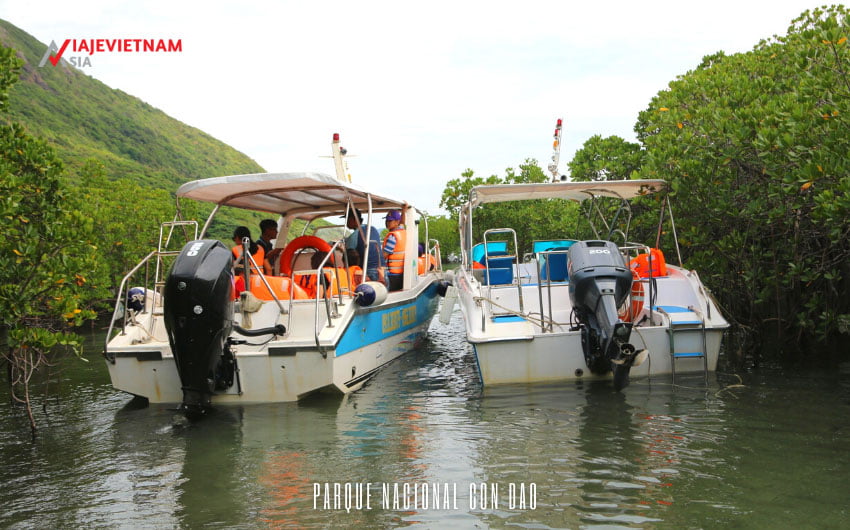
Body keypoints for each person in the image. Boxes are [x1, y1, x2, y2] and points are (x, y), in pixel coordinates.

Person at [345, 208, 386, 285]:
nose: (346, 223)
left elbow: (349, 257)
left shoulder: (354, 235)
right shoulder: (373, 229)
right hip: (382, 271)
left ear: (353, 219)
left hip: (368, 273)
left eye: (347, 220)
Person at [382, 209, 405, 291]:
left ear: (396, 222)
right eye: (386, 220)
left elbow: (384, 255)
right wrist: (403, 210)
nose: (387, 223)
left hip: (392, 275)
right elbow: (402, 222)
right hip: (401, 273)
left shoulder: (392, 237)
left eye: (390, 221)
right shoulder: (401, 231)